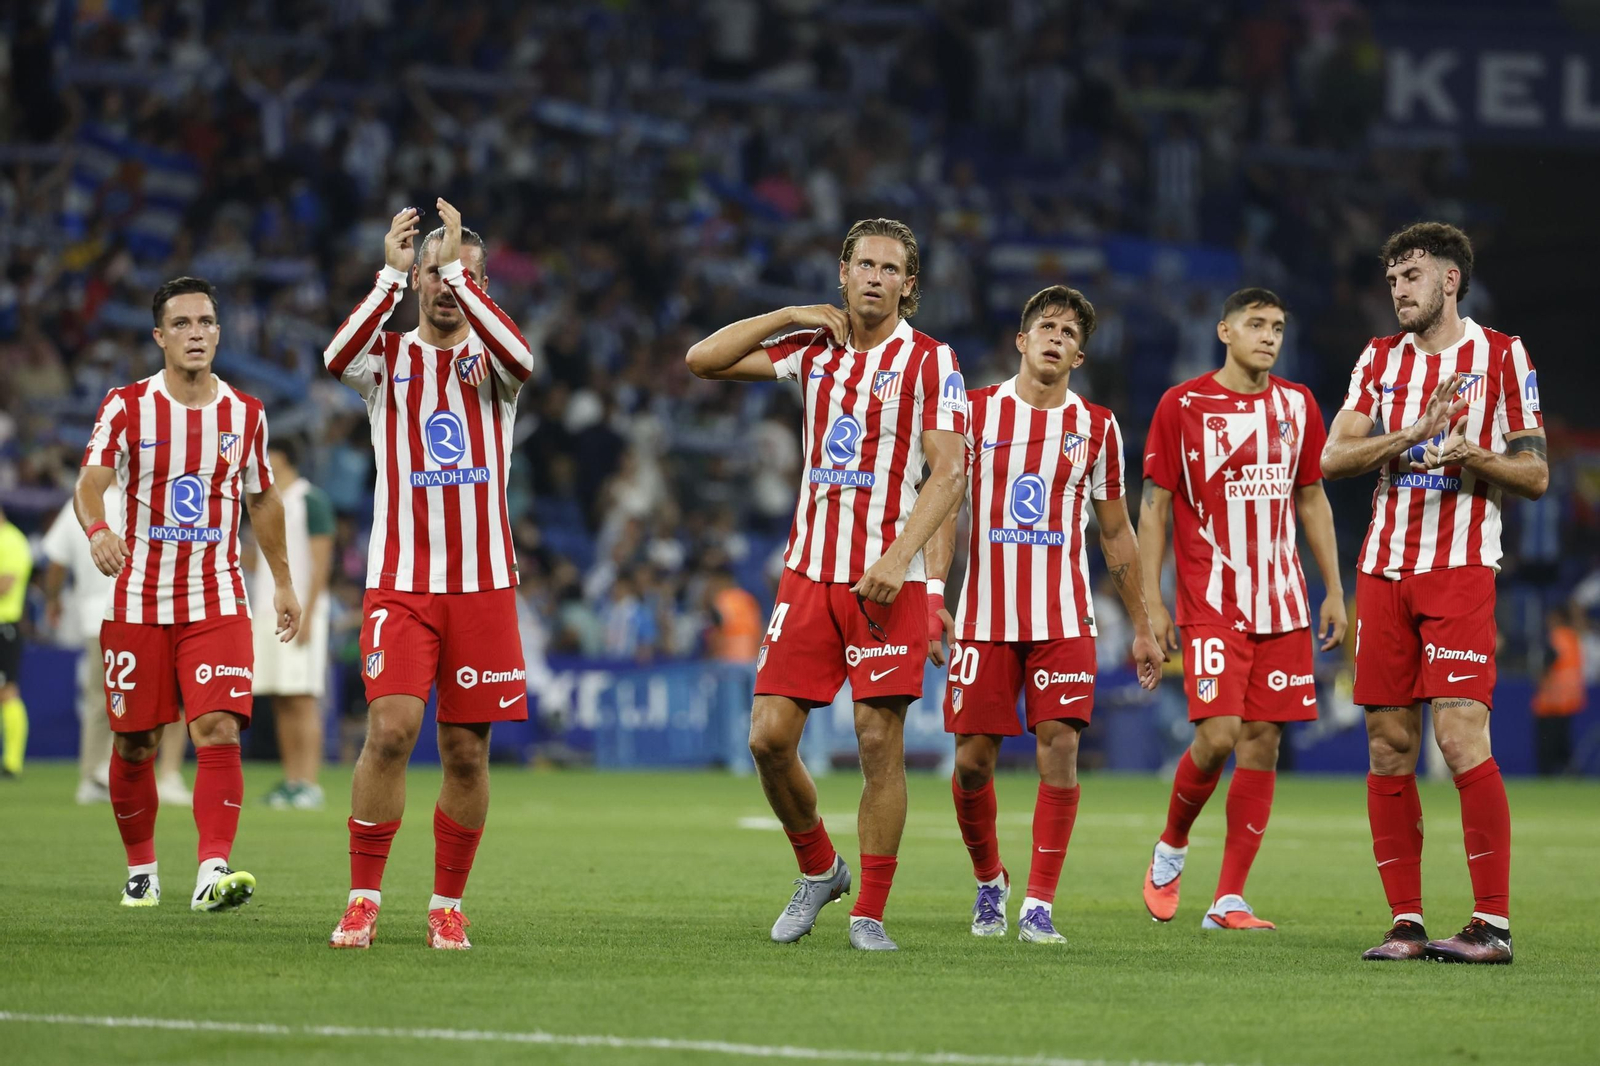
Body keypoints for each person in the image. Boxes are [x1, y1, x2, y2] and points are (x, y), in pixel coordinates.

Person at [687, 218, 967, 951]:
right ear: (842, 274)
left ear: (909, 284)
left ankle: (869, 910)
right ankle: (819, 868)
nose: (874, 277)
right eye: (862, 264)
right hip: (809, 572)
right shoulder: (812, 350)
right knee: (768, 739)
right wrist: (787, 313)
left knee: (880, 741)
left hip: (887, 581)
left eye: (889, 268)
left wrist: (903, 556)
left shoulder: (931, 362)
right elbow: (702, 360)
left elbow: (949, 473)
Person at [1323, 222, 1547, 964]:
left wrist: (1474, 453)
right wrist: (1411, 432)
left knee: (1457, 736)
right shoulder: (1379, 360)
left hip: (1459, 570)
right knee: (1389, 747)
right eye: (1391, 279)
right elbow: (1332, 457)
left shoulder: (1502, 355)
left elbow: (1537, 474)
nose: (1398, 290)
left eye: (1411, 275)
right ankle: (1407, 924)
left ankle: (1492, 925)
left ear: (1450, 280)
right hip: (1382, 570)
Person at [323, 200, 534, 951]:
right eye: (435, 276)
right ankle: (363, 897)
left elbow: (526, 359)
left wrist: (462, 274)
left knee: (466, 751)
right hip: (402, 583)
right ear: (416, 281)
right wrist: (391, 270)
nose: (446, 286)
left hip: (482, 587)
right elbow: (333, 356)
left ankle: (447, 903)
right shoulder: (387, 360)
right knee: (390, 730)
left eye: (463, 277)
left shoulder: (493, 367)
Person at [926, 285, 1163, 944]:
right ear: (1022, 341)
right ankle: (988, 883)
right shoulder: (972, 413)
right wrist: (932, 593)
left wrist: (1143, 624)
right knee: (973, 762)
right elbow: (943, 505)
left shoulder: (1097, 428)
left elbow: (1116, 534)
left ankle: (1038, 904)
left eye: (1068, 332)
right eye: (1046, 326)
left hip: (1064, 621)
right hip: (983, 619)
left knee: (1059, 752)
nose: (1056, 337)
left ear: (1079, 355)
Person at [75, 275, 301, 911]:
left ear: (219, 333)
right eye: (181, 324)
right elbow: (89, 483)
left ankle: (211, 871)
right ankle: (142, 869)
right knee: (136, 744)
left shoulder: (246, 414)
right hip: (139, 601)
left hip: (216, 598)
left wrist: (282, 581)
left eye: (205, 322)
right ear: (159, 337)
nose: (196, 333)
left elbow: (261, 496)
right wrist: (99, 530)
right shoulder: (126, 406)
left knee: (219, 728)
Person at [1137, 288, 1346, 930]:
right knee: (1219, 735)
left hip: (1283, 602)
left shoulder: (1298, 405)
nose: (1269, 336)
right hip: (1212, 602)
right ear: (1224, 331)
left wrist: (1334, 589)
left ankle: (1228, 897)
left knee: (1261, 744)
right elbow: (1154, 505)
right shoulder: (1183, 405)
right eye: (1256, 325)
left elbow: (1311, 499)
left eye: (1278, 326)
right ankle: (1172, 845)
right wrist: (1153, 601)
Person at [41, 496, 191, 805]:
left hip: (97, 617)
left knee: (101, 700)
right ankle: (166, 775)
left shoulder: (81, 503)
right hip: (149, 614)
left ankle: (92, 777)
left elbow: (56, 560)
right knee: (166, 697)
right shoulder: (148, 495)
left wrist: (53, 599)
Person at [247, 437, 335, 809]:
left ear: (282, 456)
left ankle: (310, 783)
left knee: (302, 698)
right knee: (281, 699)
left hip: (302, 609)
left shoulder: (308, 499)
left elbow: (320, 562)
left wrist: (311, 613)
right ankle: (292, 780)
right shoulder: (264, 502)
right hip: (267, 610)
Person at [1531, 604, 1584, 775]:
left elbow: (1548, 661)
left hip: (1550, 700)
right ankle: (1572, 773)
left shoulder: (1556, 637)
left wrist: (1539, 676)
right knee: (1563, 744)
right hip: (1568, 700)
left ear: (1558, 618)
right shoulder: (1573, 638)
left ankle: (1551, 776)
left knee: (1548, 747)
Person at [0, 505, 31, 778]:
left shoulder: (12, 541)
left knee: (7, 691)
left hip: (4, 626)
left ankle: (12, 762)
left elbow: (5, 585)